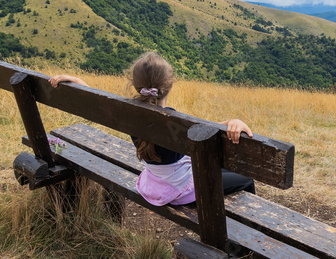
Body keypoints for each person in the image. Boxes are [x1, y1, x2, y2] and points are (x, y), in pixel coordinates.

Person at [49, 51, 256, 206]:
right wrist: (233, 121)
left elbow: (96, 101)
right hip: (179, 190)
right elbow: (207, 131)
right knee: (245, 179)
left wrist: (76, 81)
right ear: (169, 85)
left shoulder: (128, 112)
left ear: (135, 85)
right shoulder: (174, 120)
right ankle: (248, 235)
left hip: (153, 183)